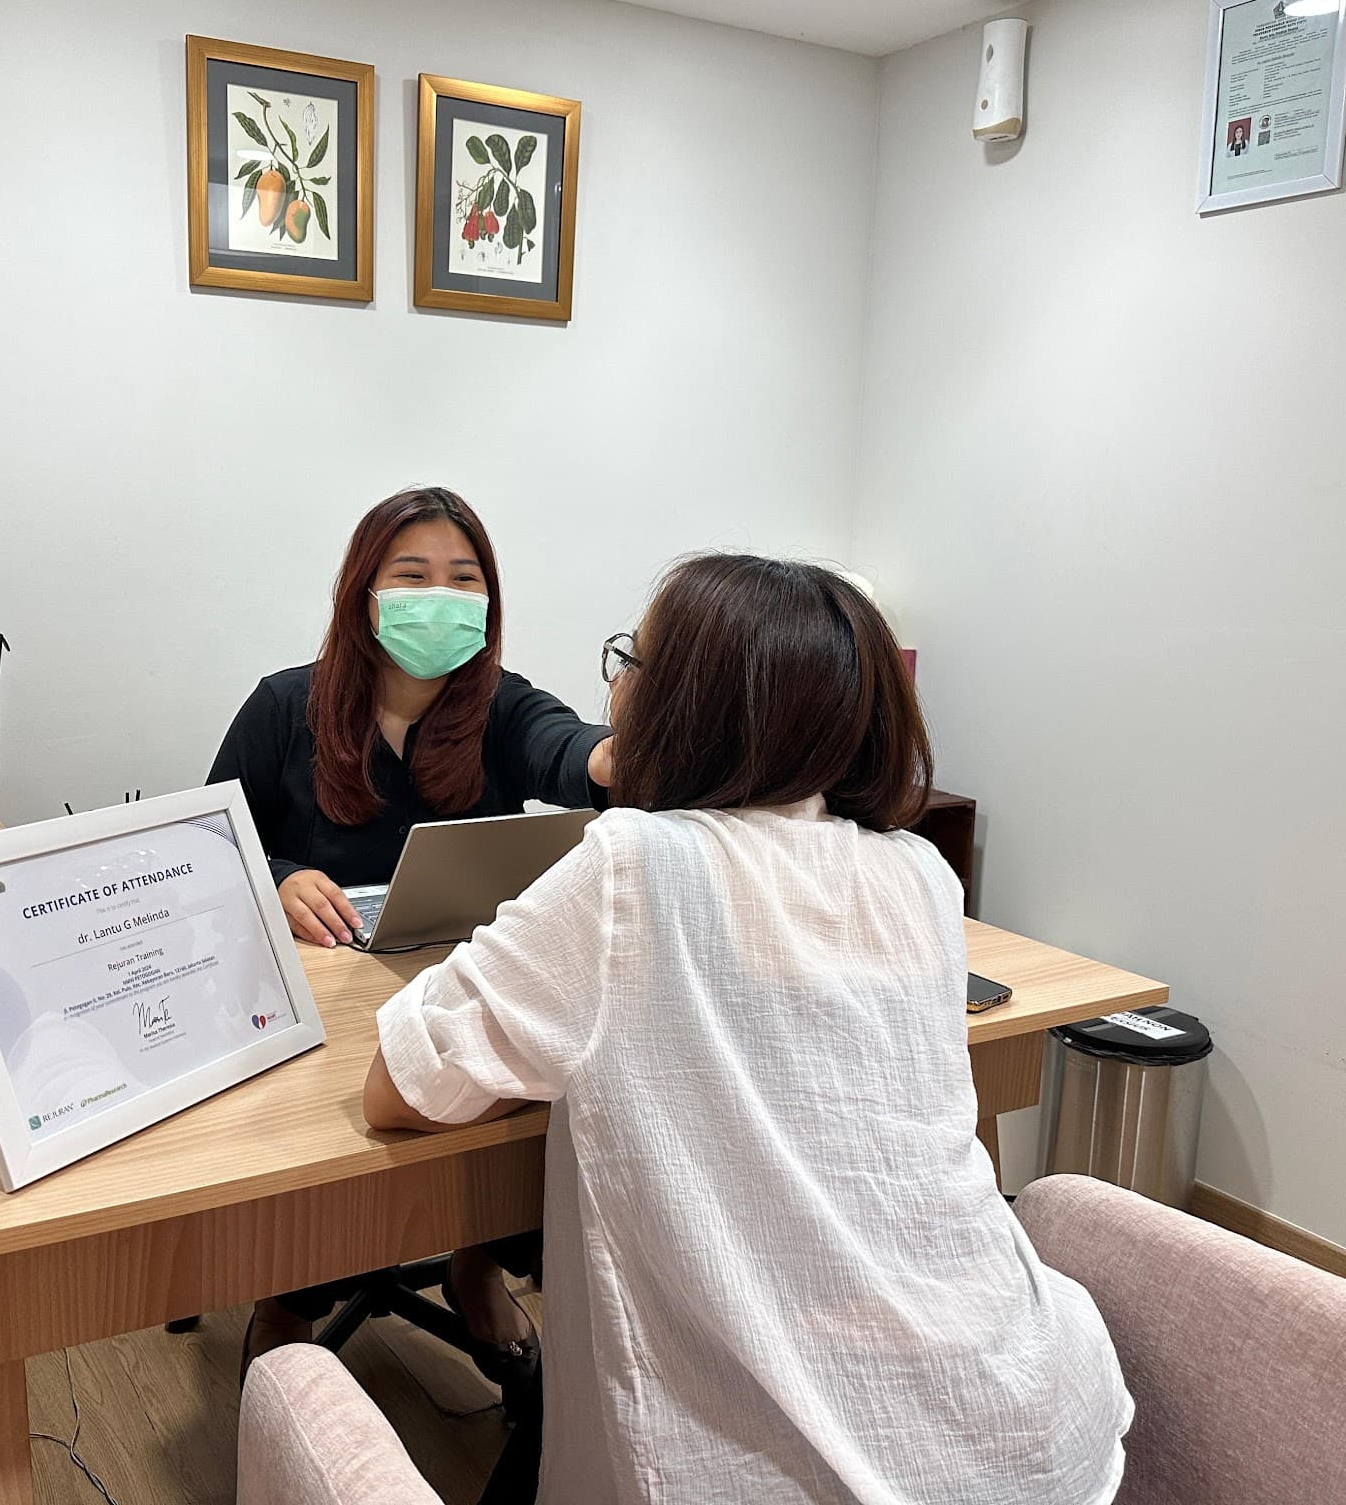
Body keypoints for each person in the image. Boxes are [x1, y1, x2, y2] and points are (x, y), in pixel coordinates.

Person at [365, 554, 1134, 1504]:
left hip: (788, 1463)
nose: (616, 688)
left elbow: (399, 1089)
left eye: (629, 663)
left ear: (679, 702)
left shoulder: (634, 866)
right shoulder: (922, 875)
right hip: (1032, 1417)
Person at [209, 485, 612, 1375]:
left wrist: (629, 749)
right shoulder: (286, 705)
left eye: (464, 580)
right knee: (314, 1124)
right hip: (322, 982)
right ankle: (287, 1297)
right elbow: (208, 845)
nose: (443, 596)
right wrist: (277, 878)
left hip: (459, 976)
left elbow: (574, 751)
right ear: (366, 593)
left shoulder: (504, 706)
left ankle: (476, 1263)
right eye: (414, 574)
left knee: (545, 1079)